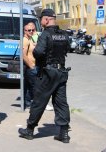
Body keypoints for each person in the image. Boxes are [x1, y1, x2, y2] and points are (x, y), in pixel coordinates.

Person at [18, 8, 71, 143]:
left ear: (47, 19)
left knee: (39, 101)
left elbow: (38, 53)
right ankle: (64, 133)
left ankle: (29, 130)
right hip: (61, 72)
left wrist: (36, 49)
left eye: (41, 19)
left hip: (47, 73)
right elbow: (67, 49)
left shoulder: (46, 34)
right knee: (61, 103)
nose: (40, 21)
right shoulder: (64, 34)